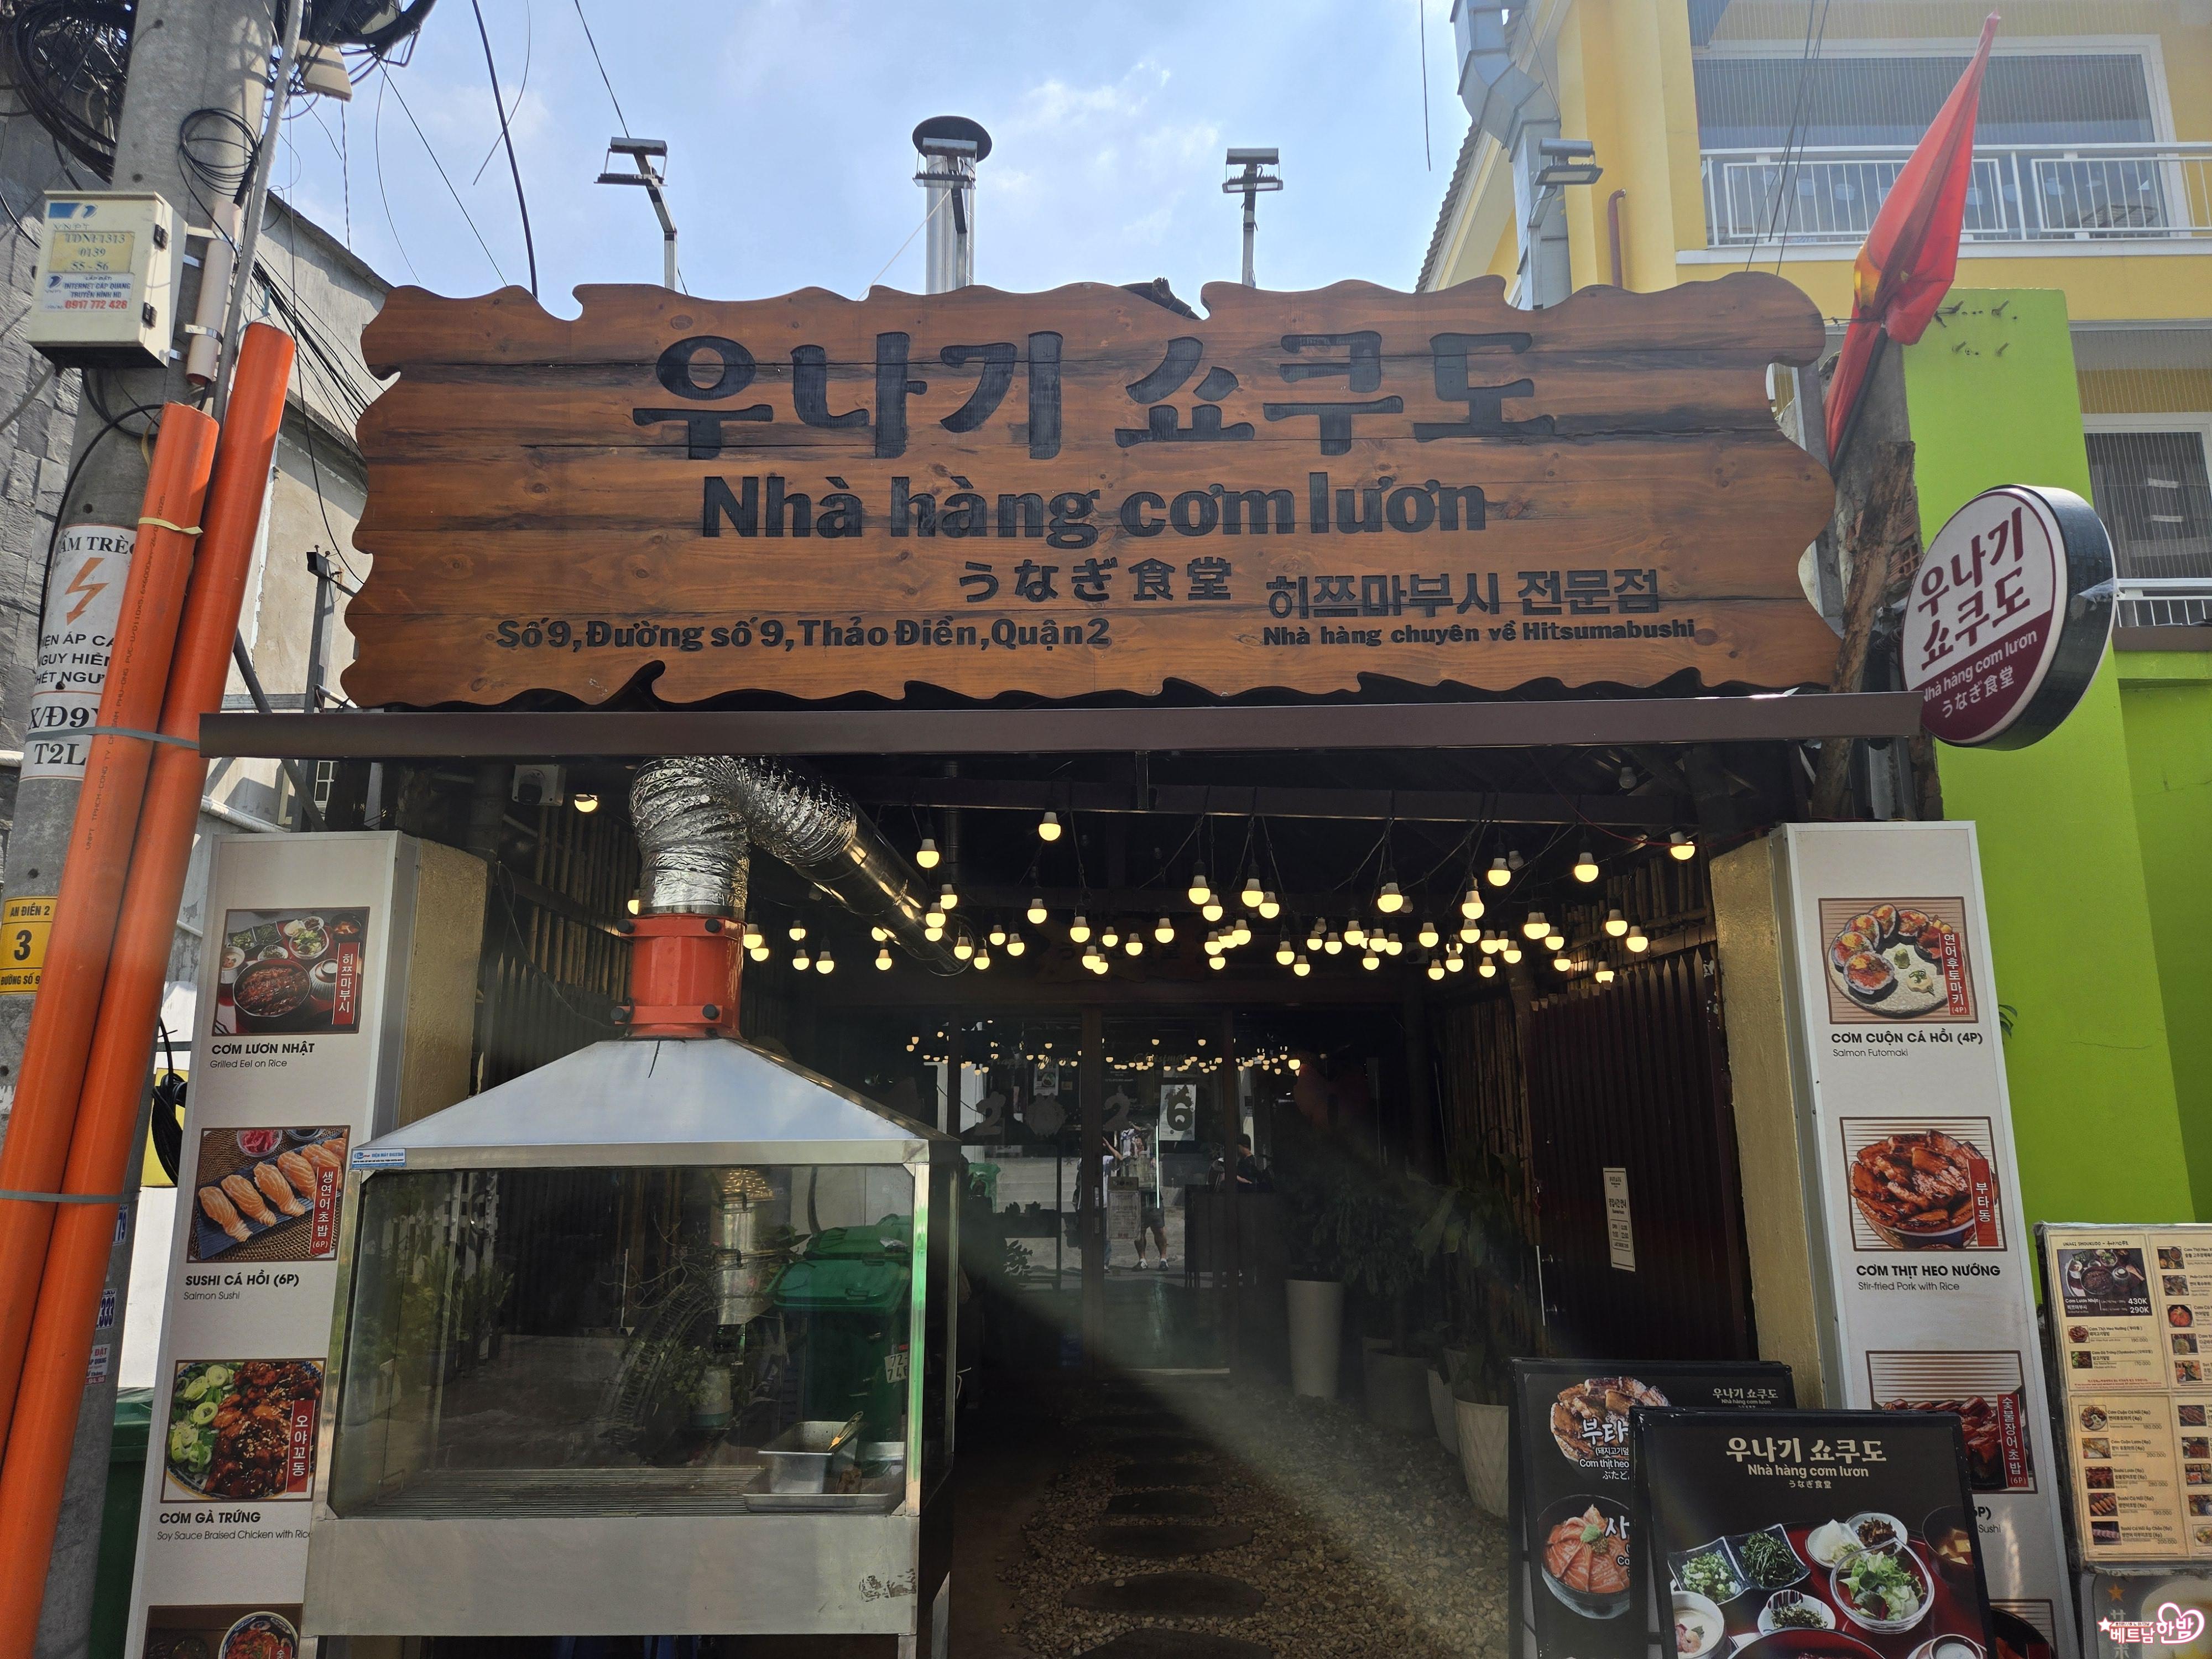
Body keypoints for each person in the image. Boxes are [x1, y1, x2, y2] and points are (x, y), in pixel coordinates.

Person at [1124, 1130, 1168, 1270]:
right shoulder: (1129, 1161)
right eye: (1134, 1146)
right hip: (1137, 1200)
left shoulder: (1151, 1158)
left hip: (1153, 1198)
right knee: (1139, 1232)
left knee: (1159, 1230)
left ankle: (1163, 1258)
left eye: (1139, 1146)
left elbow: (1153, 1141)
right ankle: (1142, 1259)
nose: (1136, 1148)